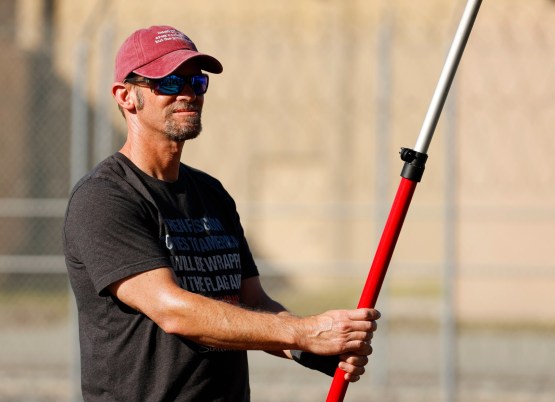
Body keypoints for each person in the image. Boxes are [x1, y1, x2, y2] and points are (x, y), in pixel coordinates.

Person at [62, 25, 380, 402]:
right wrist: (306, 332)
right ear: (126, 96)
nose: (187, 94)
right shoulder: (104, 197)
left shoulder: (211, 194)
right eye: (168, 83)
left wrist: (314, 348)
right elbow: (172, 310)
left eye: (197, 81)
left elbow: (252, 303)